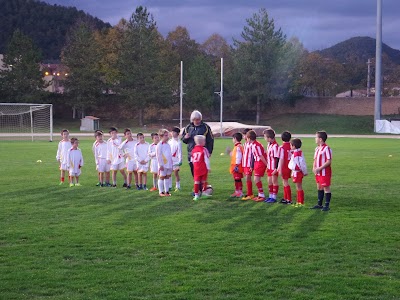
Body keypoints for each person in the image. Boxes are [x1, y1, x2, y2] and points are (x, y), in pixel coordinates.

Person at [182, 110, 214, 177]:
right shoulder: (188, 127)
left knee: (201, 169)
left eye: (198, 119)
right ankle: (196, 183)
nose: (197, 121)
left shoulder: (205, 127)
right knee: (193, 169)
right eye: (195, 119)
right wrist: (185, 137)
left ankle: (202, 184)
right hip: (191, 152)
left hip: (202, 152)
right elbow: (184, 140)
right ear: (192, 119)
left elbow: (210, 140)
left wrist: (209, 151)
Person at [311, 131, 332, 211]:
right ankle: (319, 204)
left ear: (320, 139)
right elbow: (315, 159)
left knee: (326, 187)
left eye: (316, 137)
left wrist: (320, 168)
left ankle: (326, 205)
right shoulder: (317, 148)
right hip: (318, 172)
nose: (315, 139)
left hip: (324, 172)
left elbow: (328, 161)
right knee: (319, 187)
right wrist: (314, 167)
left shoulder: (326, 148)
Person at [246, 130, 268, 202]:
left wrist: (267, 165)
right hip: (257, 162)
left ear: (249, 138)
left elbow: (261, 156)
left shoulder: (256, 145)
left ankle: (261, 195)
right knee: (256, 179)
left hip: (260, 162)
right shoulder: (254, 144)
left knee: (256, 179)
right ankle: (260, 194)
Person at [288, 138, 308, 206]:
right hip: (295, 172)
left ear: (294, 146)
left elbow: (301, 164)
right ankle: (299, 201)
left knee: (299, 187)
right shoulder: (297, 153)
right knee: (298, 187)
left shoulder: (297, 154)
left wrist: (304, 172)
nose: (290, 147)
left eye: (291, 145)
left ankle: (300, 202)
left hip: (298, 172)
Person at [191, 135, 211, 201]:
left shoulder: (193, 150)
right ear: (202, 142)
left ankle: (196, 195)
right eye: (204, 141)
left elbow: (192, 160)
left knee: (196, 182)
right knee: (203, 181)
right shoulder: (204, 149)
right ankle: (204, 193)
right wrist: (208, 168)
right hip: (203, 168)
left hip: (196, 168)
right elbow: (206, 159)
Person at [264, 129, 280, 203]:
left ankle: (274, 196)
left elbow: (277, 158)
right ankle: (270, 196)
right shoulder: (269, 145)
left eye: (265, 137)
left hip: (274, 167)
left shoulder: (275, 146)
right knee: (269, 181)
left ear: (269, 137)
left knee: (274, 181)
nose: (264, 138)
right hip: (269, 166)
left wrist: (276, 168)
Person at [156, 129, 173, 197]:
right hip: (163, 164)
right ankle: (161, 192)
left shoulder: (168, 144)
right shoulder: (159, 145)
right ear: (161, 136)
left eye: (167, 135)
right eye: (165, 135)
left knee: (167, 177)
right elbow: (158, 155)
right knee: (162, 177)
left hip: (169, 164)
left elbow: (169, 154)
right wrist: (160, 165)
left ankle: (167, 191)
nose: (167, 137)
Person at [278, 131, 293, 204]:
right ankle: (285, 197)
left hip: (284, 166)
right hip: (290, 166)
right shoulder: (291, 146)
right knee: (285, 181)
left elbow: (281, 159)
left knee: (285, 182)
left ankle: (289, 199)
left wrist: (280, 169)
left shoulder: (282, 147)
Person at [241, 128, 254, 201]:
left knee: (248, 178)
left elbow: (252, 155)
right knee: (246, 178)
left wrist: (252, 165)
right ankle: (249, 193)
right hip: (245, 164)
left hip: (249, 164)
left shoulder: (251, 144)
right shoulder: (245, 144)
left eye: (244, 135)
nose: (243, 137)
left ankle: (250, 194)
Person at [229, 132, 244, 198]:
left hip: (236, 166)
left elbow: (238, 156)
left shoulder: (238, 147)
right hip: (236, 165)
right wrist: (230, 153)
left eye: (233, 138)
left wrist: (237, 165)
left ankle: (239, 192)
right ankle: (237, 191)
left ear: (235, 138)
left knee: (237, 179)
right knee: (236, 179)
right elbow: (235, 155)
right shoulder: (237, 146)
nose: (232, 140)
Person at [168, 127, 182, 192]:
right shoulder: (169, 141)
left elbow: (179, 152)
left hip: (176, 160)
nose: (172, 133)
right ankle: (169, 186)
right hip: (169, 160)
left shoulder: (178, 142)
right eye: (172, 132)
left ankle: (178, 186)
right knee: (169, 173)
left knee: (176, 173)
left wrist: (180, 161)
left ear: (177, 133)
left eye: (174, 132)